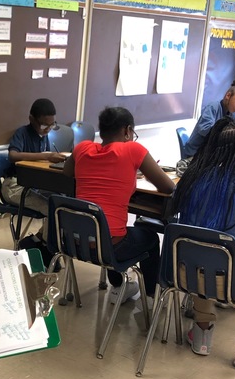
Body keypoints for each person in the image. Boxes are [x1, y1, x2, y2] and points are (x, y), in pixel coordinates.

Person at [172, 118, 235, 367]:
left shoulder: (193, 179)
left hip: (187, 275)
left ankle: (202, 333)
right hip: (234, 282)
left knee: (204, 252)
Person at [63, 106, 175, 303]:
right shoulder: (133, 149)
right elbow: (168, 187)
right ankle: (150, 297)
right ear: (127, 130)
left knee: (113, 229)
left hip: (75, 242)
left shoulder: (82, 148)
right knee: (149, 237)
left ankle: (119, 286)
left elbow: (67, 172)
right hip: (109, 247)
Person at [2, 98, 67, 262]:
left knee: (61, 202)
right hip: (15, 187)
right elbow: (13, 155)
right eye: (44, 125)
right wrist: (45, 156)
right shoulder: (22, 133)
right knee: (51, 208)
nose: (48, 129)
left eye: (52, 125)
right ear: (31, 119)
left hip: (32, 185)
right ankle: (45, 249)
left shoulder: (43, 135)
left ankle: (38, 241)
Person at [183, 79, 235, 158]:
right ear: (228, 96)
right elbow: (204, 129)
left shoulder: (232, 113)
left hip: (210, 153)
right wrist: (227, 132)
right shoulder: (213, 107)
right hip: (196, 154)